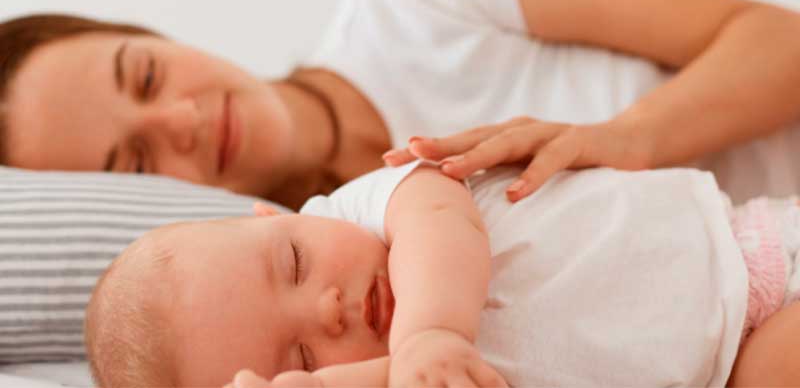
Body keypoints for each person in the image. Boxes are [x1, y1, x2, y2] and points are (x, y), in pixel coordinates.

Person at [1, 0, 800, 211]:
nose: (180, 119)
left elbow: (779, 39)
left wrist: (630, 138)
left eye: (144, 75)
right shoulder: (322, 294)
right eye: (136, 165)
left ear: (154, 32)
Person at [84, 161, 800, 388]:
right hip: (727, 373)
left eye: (294, 264)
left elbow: (438, 213)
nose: (329, 309)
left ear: (275, 216)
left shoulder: (374, 210)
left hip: (745, 256)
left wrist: (431, 331)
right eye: (301, 357)